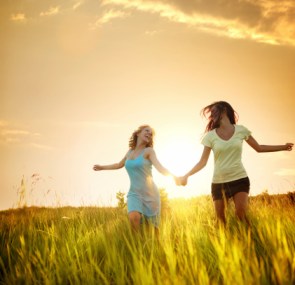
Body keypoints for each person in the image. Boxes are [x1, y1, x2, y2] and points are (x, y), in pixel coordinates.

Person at [178, 101, 293, 225]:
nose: (212, 115)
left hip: (239, 179)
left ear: (224, 110)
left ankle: (248, 242)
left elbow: (259, 148)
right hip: (219, 183)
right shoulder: (210, 136)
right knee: (220, 220)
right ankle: (226, 243)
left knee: (241, 215)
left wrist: (283, 147)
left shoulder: (241, 130)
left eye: (214, 111)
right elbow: (202, 162)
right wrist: (186, 175)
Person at [93, 124, 175, 233]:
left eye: (151, 134)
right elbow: (118, 164)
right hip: (134, 193)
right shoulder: (130, 152)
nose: (149, 134)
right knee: (134, 218)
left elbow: (160, 168)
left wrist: (174, 177)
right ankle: (137, 245)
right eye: (146, 131)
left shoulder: (149, 151)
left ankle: (155, 248)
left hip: (150, 194)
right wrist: (102, 167)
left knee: (153, 230)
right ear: (138, 133)